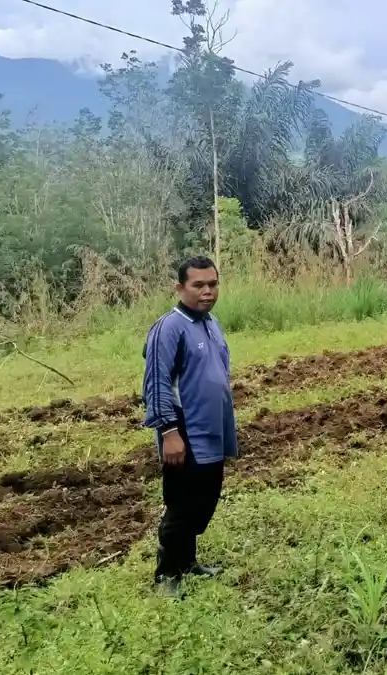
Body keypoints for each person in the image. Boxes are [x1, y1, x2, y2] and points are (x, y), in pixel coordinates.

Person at [142, 255, 238, 596]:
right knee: (182, 502)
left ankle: (187, 561)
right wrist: (169, 432)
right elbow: (156, 383)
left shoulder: (211, 323)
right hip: (184, 428)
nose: (207, 291)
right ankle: (167, 574)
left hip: (212, 428)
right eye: (198, 285)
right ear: (179, 287)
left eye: (212, 284)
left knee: (205, 497)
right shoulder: (169, 328)